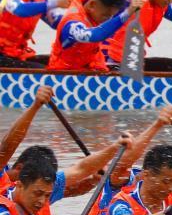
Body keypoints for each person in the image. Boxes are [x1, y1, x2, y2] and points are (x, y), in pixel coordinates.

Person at [0, 84, 129, 198]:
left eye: (46, 194)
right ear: (19, 170)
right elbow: (7, 146)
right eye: (39, 193)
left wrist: (93, 180)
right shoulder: (20, 184)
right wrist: (35, 106)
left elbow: (79, 173)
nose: (42, 200)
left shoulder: (39, 189)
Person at [46, 0, 138, 72]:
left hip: (91, 69)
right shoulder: (72, 25)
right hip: (66, 76)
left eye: (111, 16)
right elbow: (96, 35)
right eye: (105, 15)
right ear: (92, 5)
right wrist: (127, 13)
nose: (108, 19)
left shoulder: (98, 6)